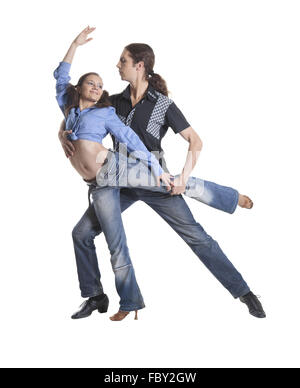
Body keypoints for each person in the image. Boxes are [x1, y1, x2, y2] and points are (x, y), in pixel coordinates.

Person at [59, 27, 266, 319]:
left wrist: (182, 177)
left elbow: (196, 141)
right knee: (82, 233)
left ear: (139, 66)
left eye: (123, 61)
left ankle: (244, 292)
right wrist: (62, 133)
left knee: (197, 237)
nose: (118, 66)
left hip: (154, 176)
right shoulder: (113, 102)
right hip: (116, 177)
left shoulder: (163, 105)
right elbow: (77, 114)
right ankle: (95, 295)